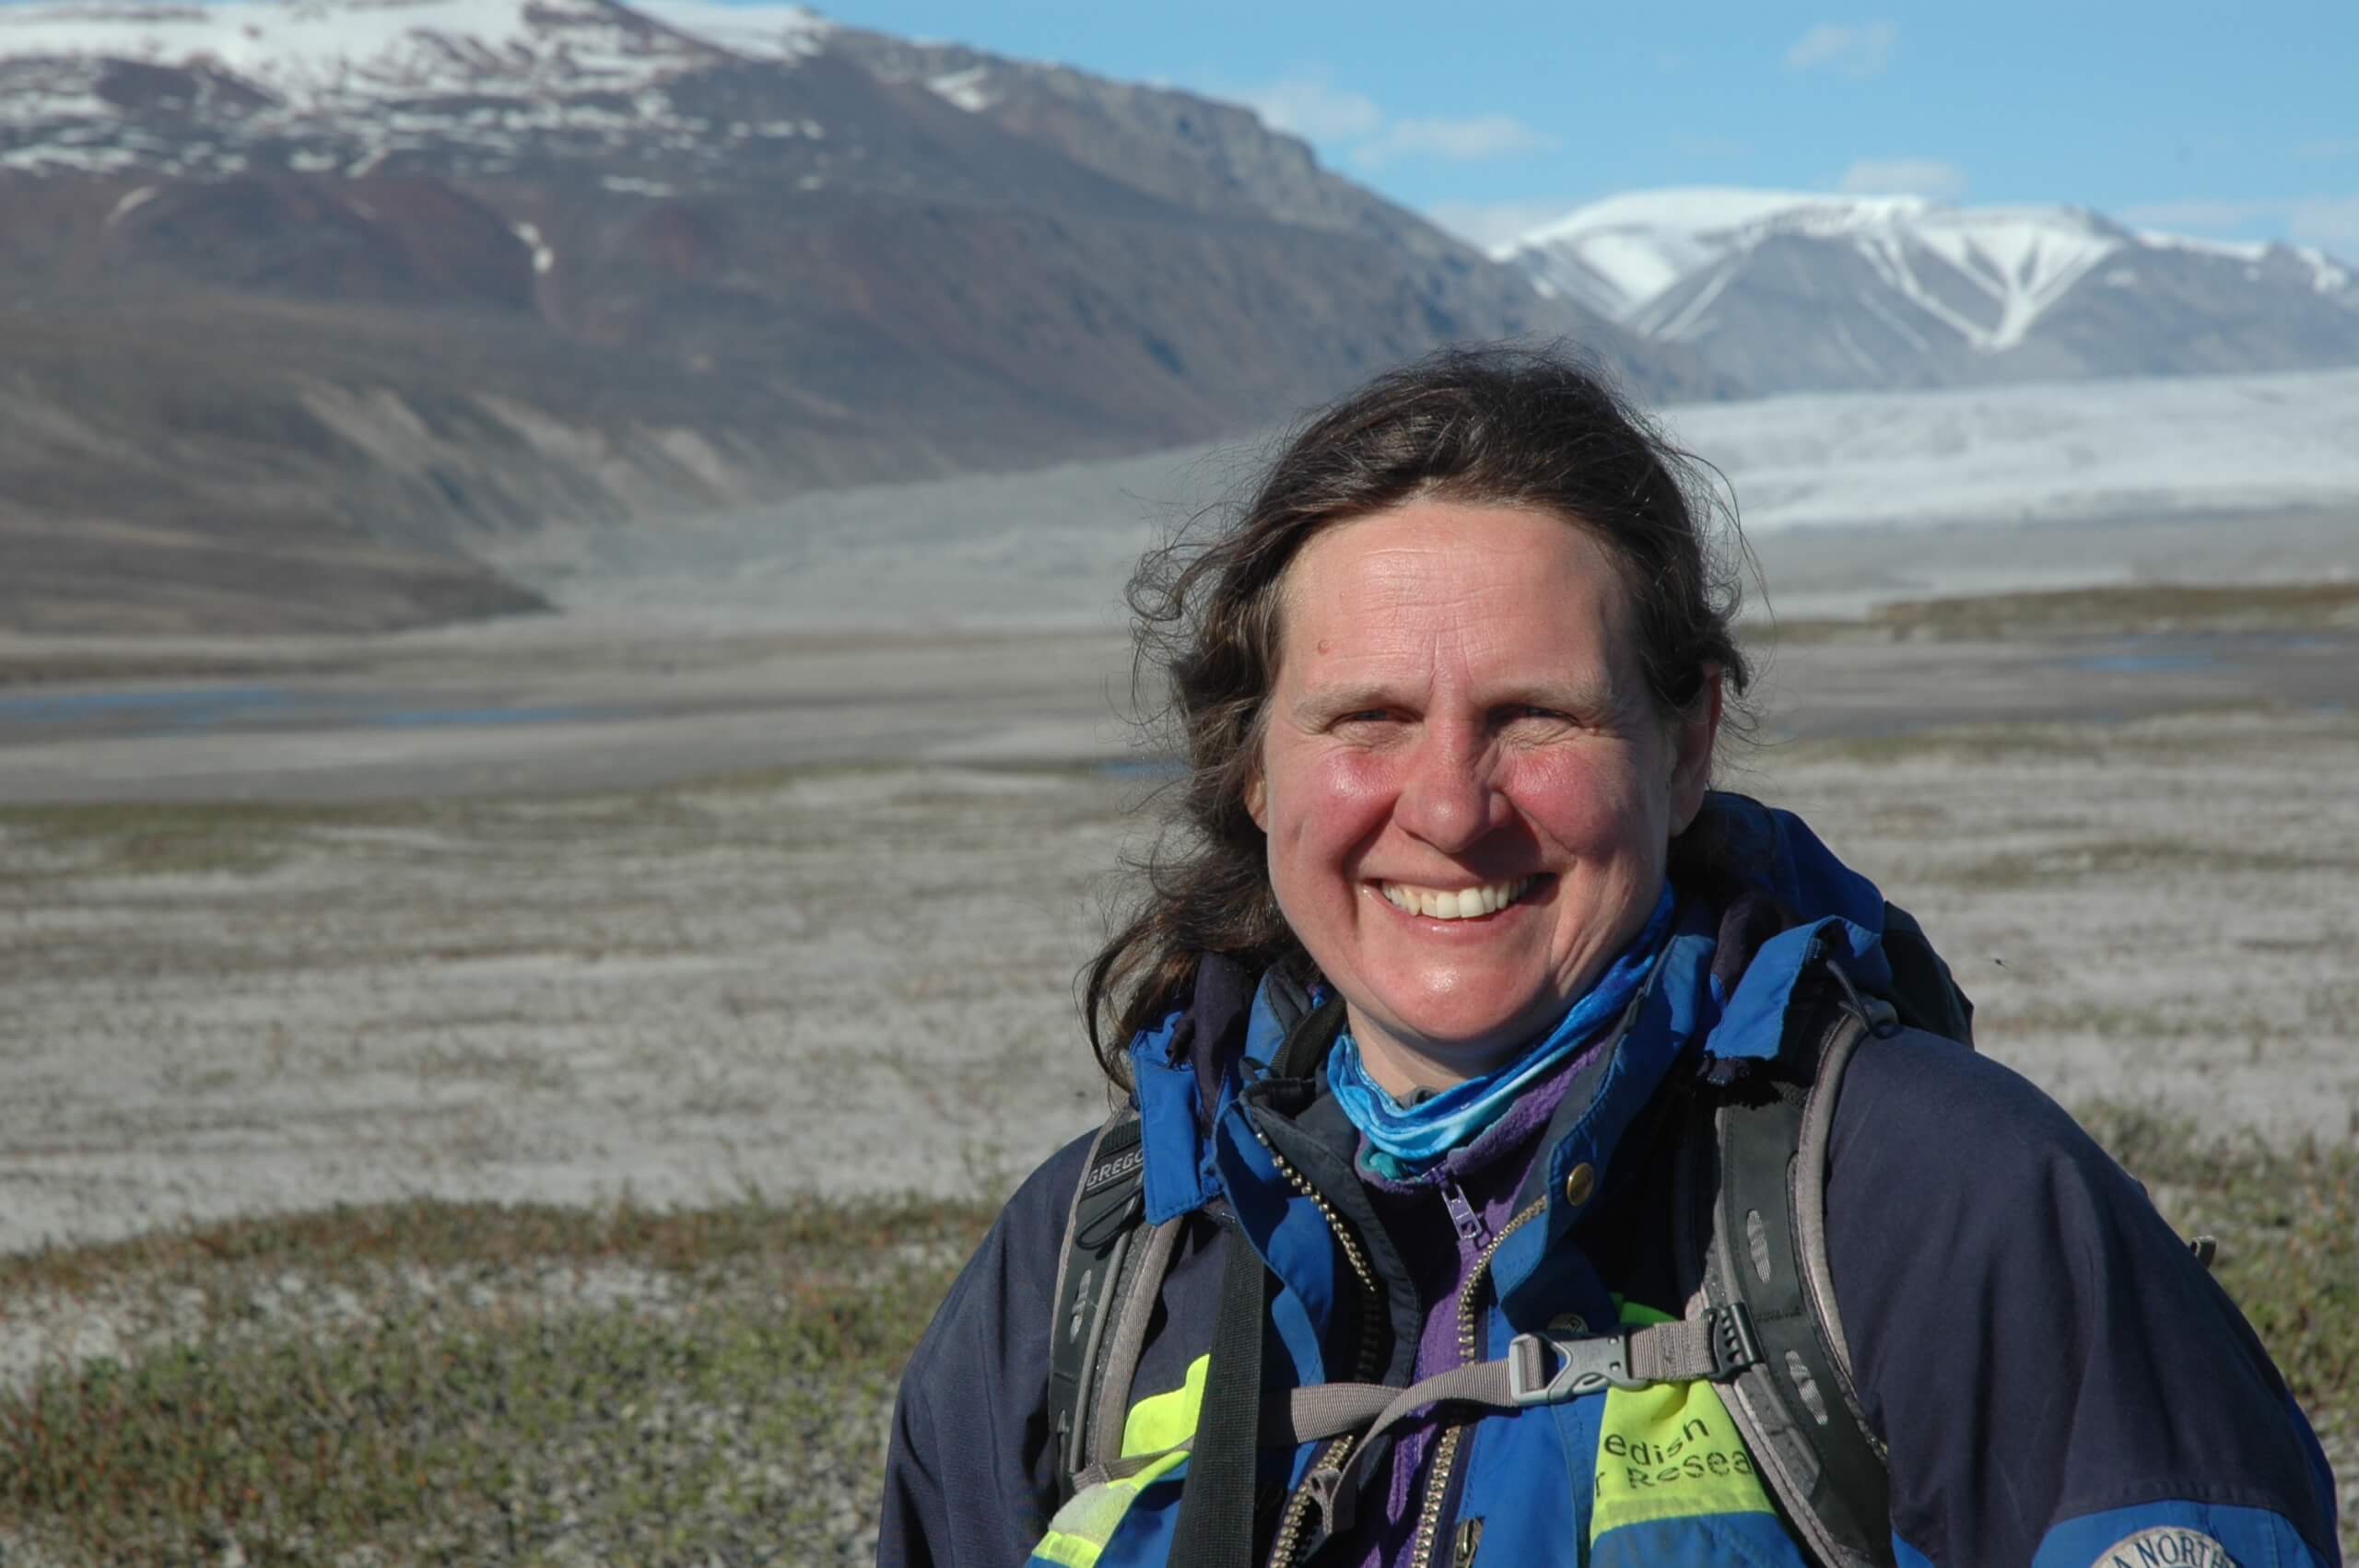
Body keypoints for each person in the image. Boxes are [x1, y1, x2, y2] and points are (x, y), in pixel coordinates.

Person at [876, 347, 2341, 1567]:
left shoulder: (1935, 1205)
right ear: (1254, 768)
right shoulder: (1088, 1267)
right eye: (1365, 717)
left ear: (1686, 740)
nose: (1449, 806)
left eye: (1537, 715)